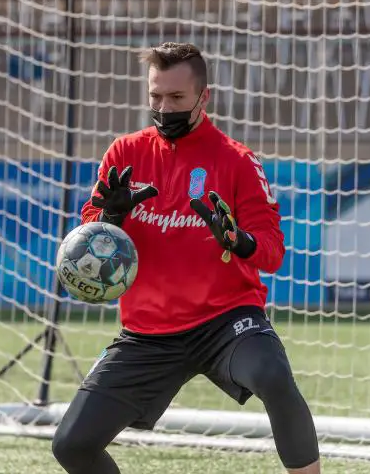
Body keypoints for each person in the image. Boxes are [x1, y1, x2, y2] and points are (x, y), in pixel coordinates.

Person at [52, 42, 320, 474]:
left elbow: (272, 252)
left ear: (203, 97)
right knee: (71, 445)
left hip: (226, 322)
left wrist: (238, 240)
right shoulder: (124, 154)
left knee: (272, 375)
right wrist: (111, 214)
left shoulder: (238, 161)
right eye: (155, 96)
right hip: (148, 332)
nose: (163, 107)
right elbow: (89, 230)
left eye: (176, 98)